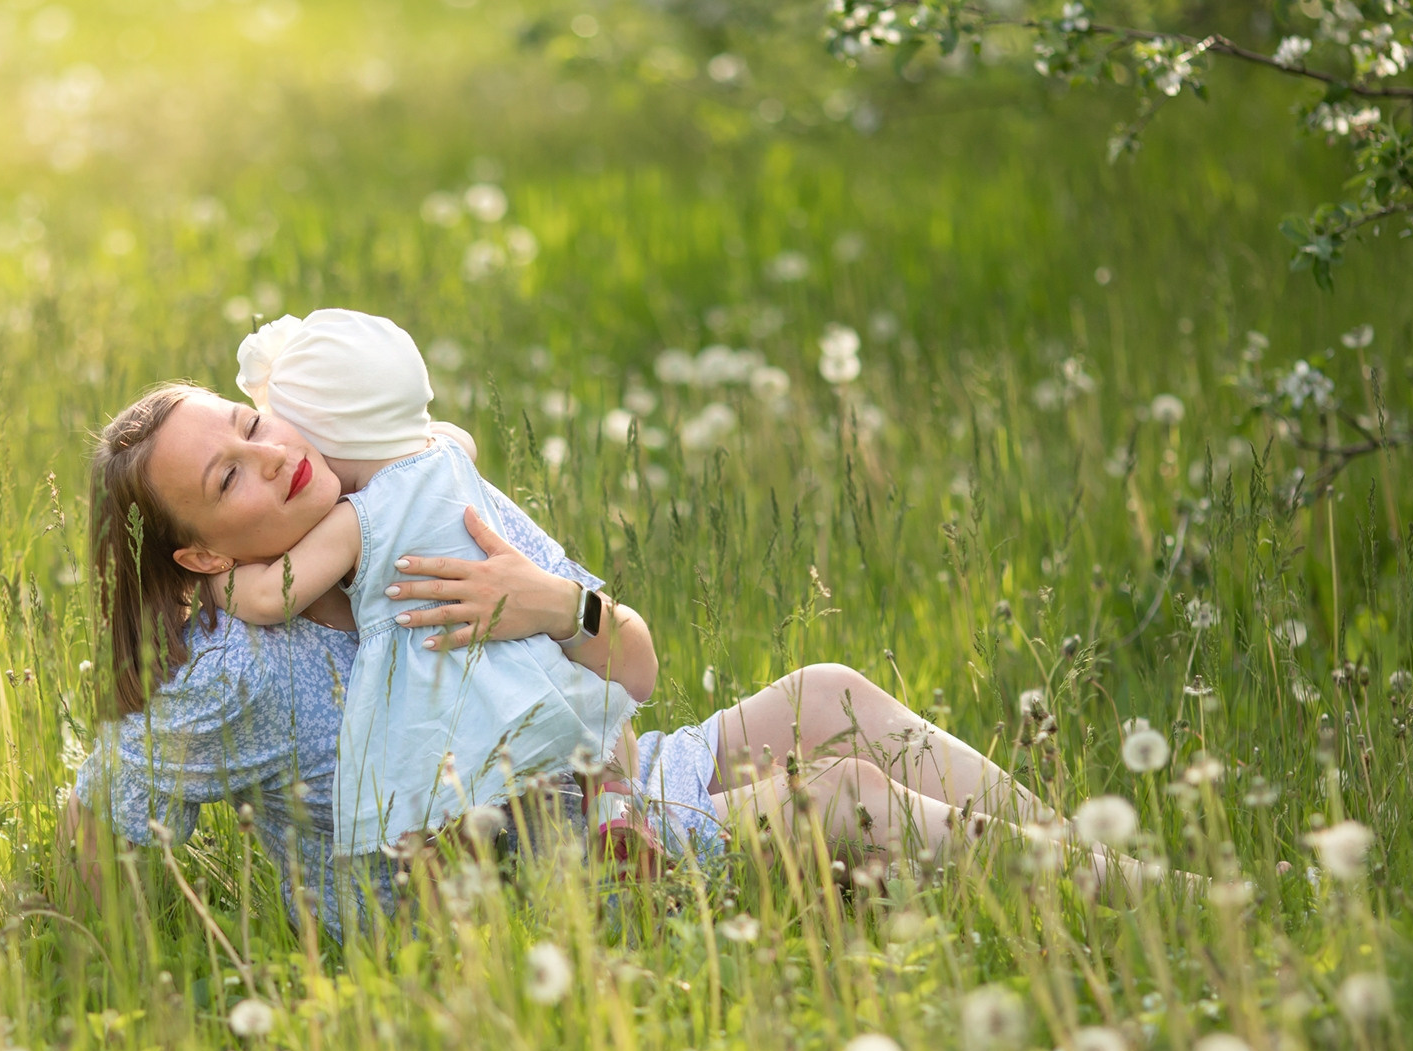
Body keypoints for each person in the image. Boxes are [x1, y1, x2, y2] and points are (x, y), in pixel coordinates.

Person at [70, 374, 1088, 939]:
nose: (270, 455)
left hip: (615, 792)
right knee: (842, 794)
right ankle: (1141, 899)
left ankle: (1095, 871)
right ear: (202, 555)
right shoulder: (246, 667)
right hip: (550, 891)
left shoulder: (419, 500)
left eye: (251, 424)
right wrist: (78, 958)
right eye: (228, 477)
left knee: (831, 695)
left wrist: (558, 605)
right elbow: (101, 804)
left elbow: (633, 668)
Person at [205, 308, 644, 861]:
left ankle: (462, 868)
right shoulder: (451, 454)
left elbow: (272, 596)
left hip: (442, 688)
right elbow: (450, 433)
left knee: (441, 793)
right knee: (595, 716)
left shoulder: (356, 520)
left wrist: (212, 580)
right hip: (526, 662)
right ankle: (616, 807)